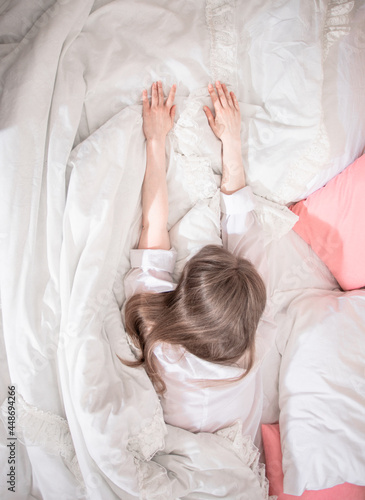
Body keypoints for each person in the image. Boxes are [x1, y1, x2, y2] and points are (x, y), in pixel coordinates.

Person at [122, 80, 275, 442]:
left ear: (184, 299)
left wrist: (156, 138)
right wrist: (230, 141)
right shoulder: (257, 327)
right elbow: (241, 217)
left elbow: (153, 222)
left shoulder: (162, 341)